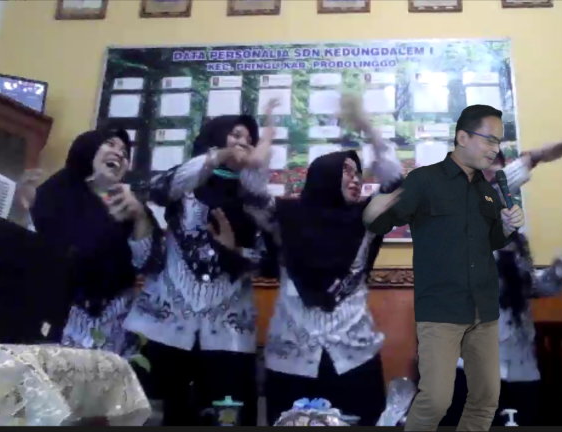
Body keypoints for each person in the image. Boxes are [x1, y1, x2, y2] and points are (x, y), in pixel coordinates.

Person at [238, 95, 403, 426]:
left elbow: (397, 184)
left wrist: (369, 128)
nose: (356, 179)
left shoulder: (366, 219)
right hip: (292, 361)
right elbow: (252, 191)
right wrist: (267, 135)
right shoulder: (286, 218)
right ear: (323, 176)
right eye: (346, 171)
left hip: (354, 358)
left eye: (358, 173)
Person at [362, 104, 524, 431]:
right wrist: (373, 211)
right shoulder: (428, 184)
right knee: (438, 401)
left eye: (498, 143)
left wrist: (507, 229)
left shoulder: (489, 197)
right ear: (462, 138)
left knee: (486, 403)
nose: (494, 150)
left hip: (489, 320)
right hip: (444, 317)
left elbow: (493, 244)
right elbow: (383, 220)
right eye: (488, 140)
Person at [122, 101, 278, 426]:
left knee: (227, 417)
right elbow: (158, 189)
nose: (243, 143)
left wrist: (234, 251)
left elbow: (269, 260)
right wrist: (219, 156)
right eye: (235, 135)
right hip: (163, 326)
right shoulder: (186, 184)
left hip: (228, 334)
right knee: (150, 415)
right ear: (216, 137)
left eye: (249, 139)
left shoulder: (253, 198)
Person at [440, 145, 562, 427]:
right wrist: (532, 159)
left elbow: (524, 288)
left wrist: (555, 273)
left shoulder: (513, 234)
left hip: (519, 362)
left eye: (495, 164)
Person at [19, 129, 157, 355]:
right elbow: (33, 251)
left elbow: (145, 263)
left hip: (109, 329)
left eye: (125, 153)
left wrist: (139, 216)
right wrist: (28, 208)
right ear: (89, 148)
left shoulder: (129, 205)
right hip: (53, 322)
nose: (119, 153)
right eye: (110, 144)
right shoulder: (57, 192)